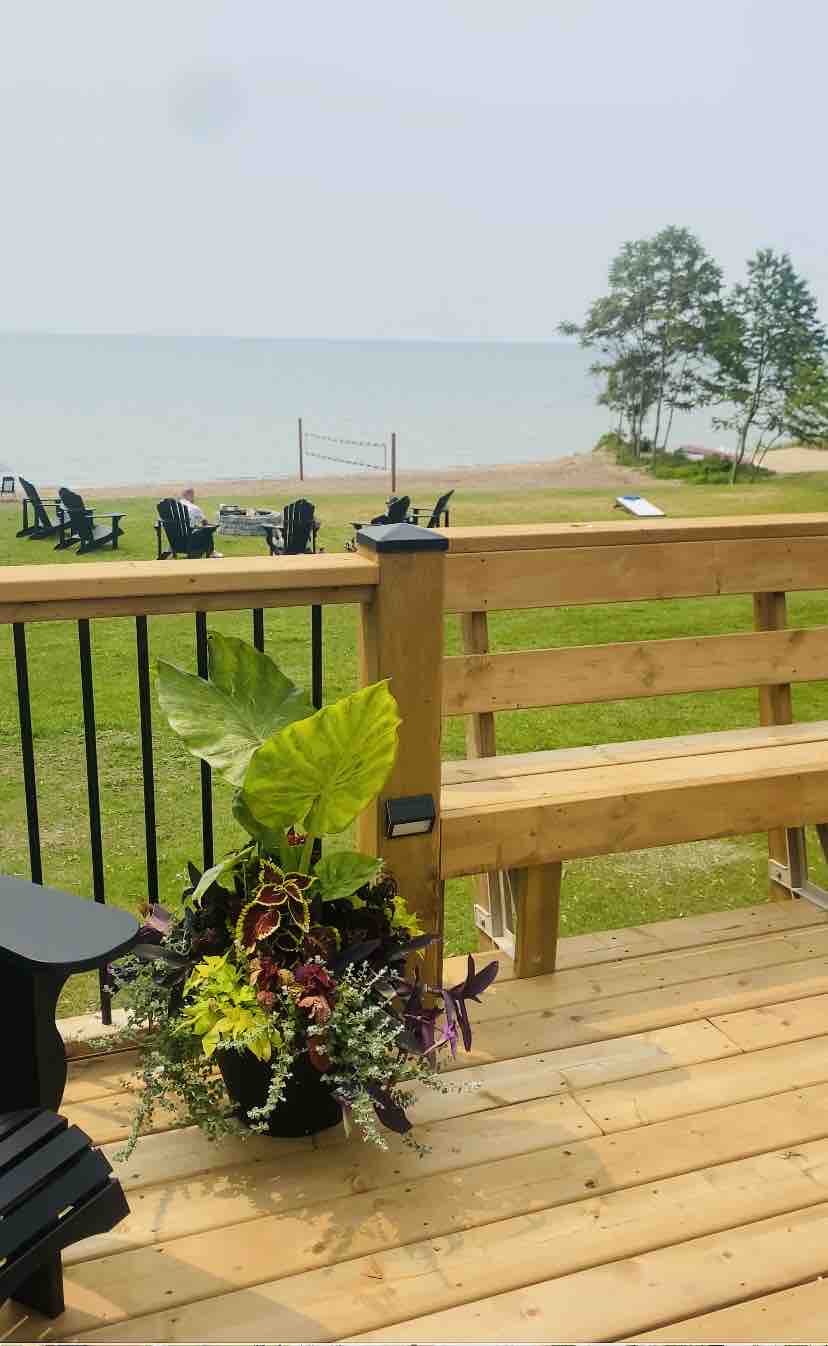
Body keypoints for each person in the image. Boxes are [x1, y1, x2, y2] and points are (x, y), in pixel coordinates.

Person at [178, 487, 223, 557]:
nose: (194, 497)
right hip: (191, 542)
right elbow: (205, 523)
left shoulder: (172, 508)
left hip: (175, 541)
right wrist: (214, 526)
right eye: (193, 495)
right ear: (189, 495)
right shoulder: (194, 508)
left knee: (199, 529)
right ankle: (211, 552)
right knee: (208, 529)